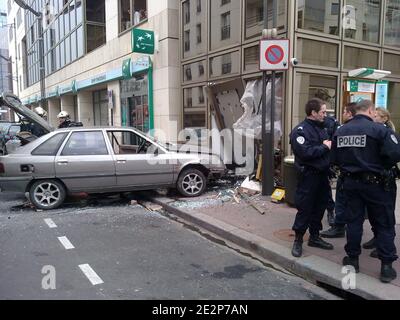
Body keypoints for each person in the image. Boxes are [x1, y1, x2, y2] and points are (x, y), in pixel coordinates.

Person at [332, 99, 400, 283]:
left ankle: (352, 259)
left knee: (353, 221)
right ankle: (386, 267)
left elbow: (334, 158)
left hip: (351, 184)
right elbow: (394, 155)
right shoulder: (380, 130)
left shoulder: (341, 131)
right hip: (377, 185)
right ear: (370, 111)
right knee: (383, 223)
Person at [289, 98, 334, 258]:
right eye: (322, 112)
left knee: (319, 207)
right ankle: (298, 239)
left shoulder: (322, 128)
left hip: (322, 176)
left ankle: (315, 237)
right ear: (313, 113)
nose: (325, 114)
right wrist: (324, 147)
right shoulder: (300, 130)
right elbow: (305, 153)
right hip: (308, 176)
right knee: (305, 208)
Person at [364, 107, 398, 258]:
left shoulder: (388, 133)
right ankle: (377, 238)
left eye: (377, 116)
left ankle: (385, 245)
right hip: (374, 180)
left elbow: (393, 155)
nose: (374, 117)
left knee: (385, 215)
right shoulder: (372, 132)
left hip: (385, 179)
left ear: (384, 119)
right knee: (373, 213)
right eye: (373, 115)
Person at [321, 102, 358, 238]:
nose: (342, 114)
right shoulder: (373, 129)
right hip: (365, 176)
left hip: (347, 173)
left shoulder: (342, 129)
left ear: (349, 113)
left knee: (343, 202)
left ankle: (340, 227)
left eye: (344, 112)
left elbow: (335, 153)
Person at [324, 115, 341, 226]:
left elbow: (335, 141)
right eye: (323, 111)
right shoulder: (310, 125)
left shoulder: (331, 122)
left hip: (328, 159)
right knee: (325, 189)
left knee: (326, 188)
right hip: (319, 159)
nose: (324, 114)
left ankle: (331, 211)